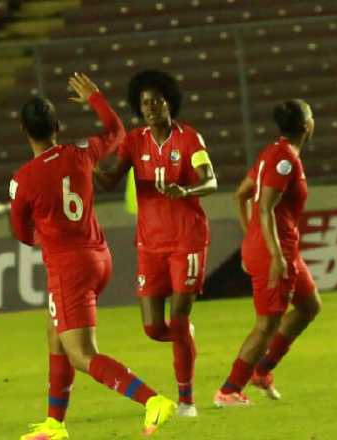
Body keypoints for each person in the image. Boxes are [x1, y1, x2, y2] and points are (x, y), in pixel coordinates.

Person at [10, 73, 176, 439]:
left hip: (68, 266)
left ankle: (152, 400)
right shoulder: (80, 152)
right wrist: (96, 98)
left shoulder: (23, 179)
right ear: (57, 126)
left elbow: (22, 234)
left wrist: (45, 233)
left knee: (82, 354)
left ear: (24, 131)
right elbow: (116, 132)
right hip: (99, 256)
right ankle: (55, 424)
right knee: (56, 333)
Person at [94, 70, 217, 417]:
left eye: (155, 101)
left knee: (176, 320)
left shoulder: (190, 139)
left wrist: (186, 190)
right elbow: (109, 181)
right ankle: (185, 338)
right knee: (152, 328)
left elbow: (211, 181)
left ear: (169, 102)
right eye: (144, 103)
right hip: (150, 244)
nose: (149, 107)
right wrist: (85, 164)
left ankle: (187, 401)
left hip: (187, 241)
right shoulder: (134, 142)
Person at [214, 99, 322, 407]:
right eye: (312, 116)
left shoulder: (273, 152)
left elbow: (241, 194)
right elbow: (265, 207)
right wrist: (272, 253)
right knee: (266, 325)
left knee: (309, 306)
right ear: (305, 126)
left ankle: (262, 371)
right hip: (277, 251)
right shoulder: (284, 160)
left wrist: (252, 236)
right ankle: (229, 390)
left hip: (281, 248)